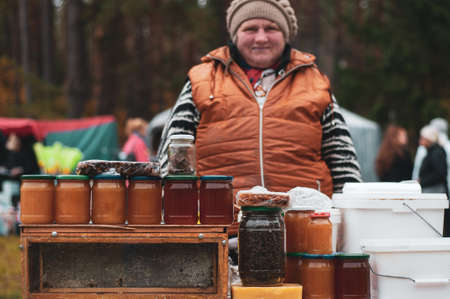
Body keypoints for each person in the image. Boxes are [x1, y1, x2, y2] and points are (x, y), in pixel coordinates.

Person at [157, 0, 362, 235]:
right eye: (251, 29)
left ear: (285, 34)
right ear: (235, 34)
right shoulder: (203, 80)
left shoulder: (314, 82)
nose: (261, 38)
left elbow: (343, 162)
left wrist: (352, 226)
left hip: (305, 233)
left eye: (271, 28)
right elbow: (172, 157)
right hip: (220, 233)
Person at [418, 125, 448, 194]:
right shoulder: (432, 152)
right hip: (433, 189)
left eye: (422, 138)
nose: (420, 140)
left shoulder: (436, 152)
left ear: (428, 139)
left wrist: (422, 181)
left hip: (436, 190)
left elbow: (440, 174)